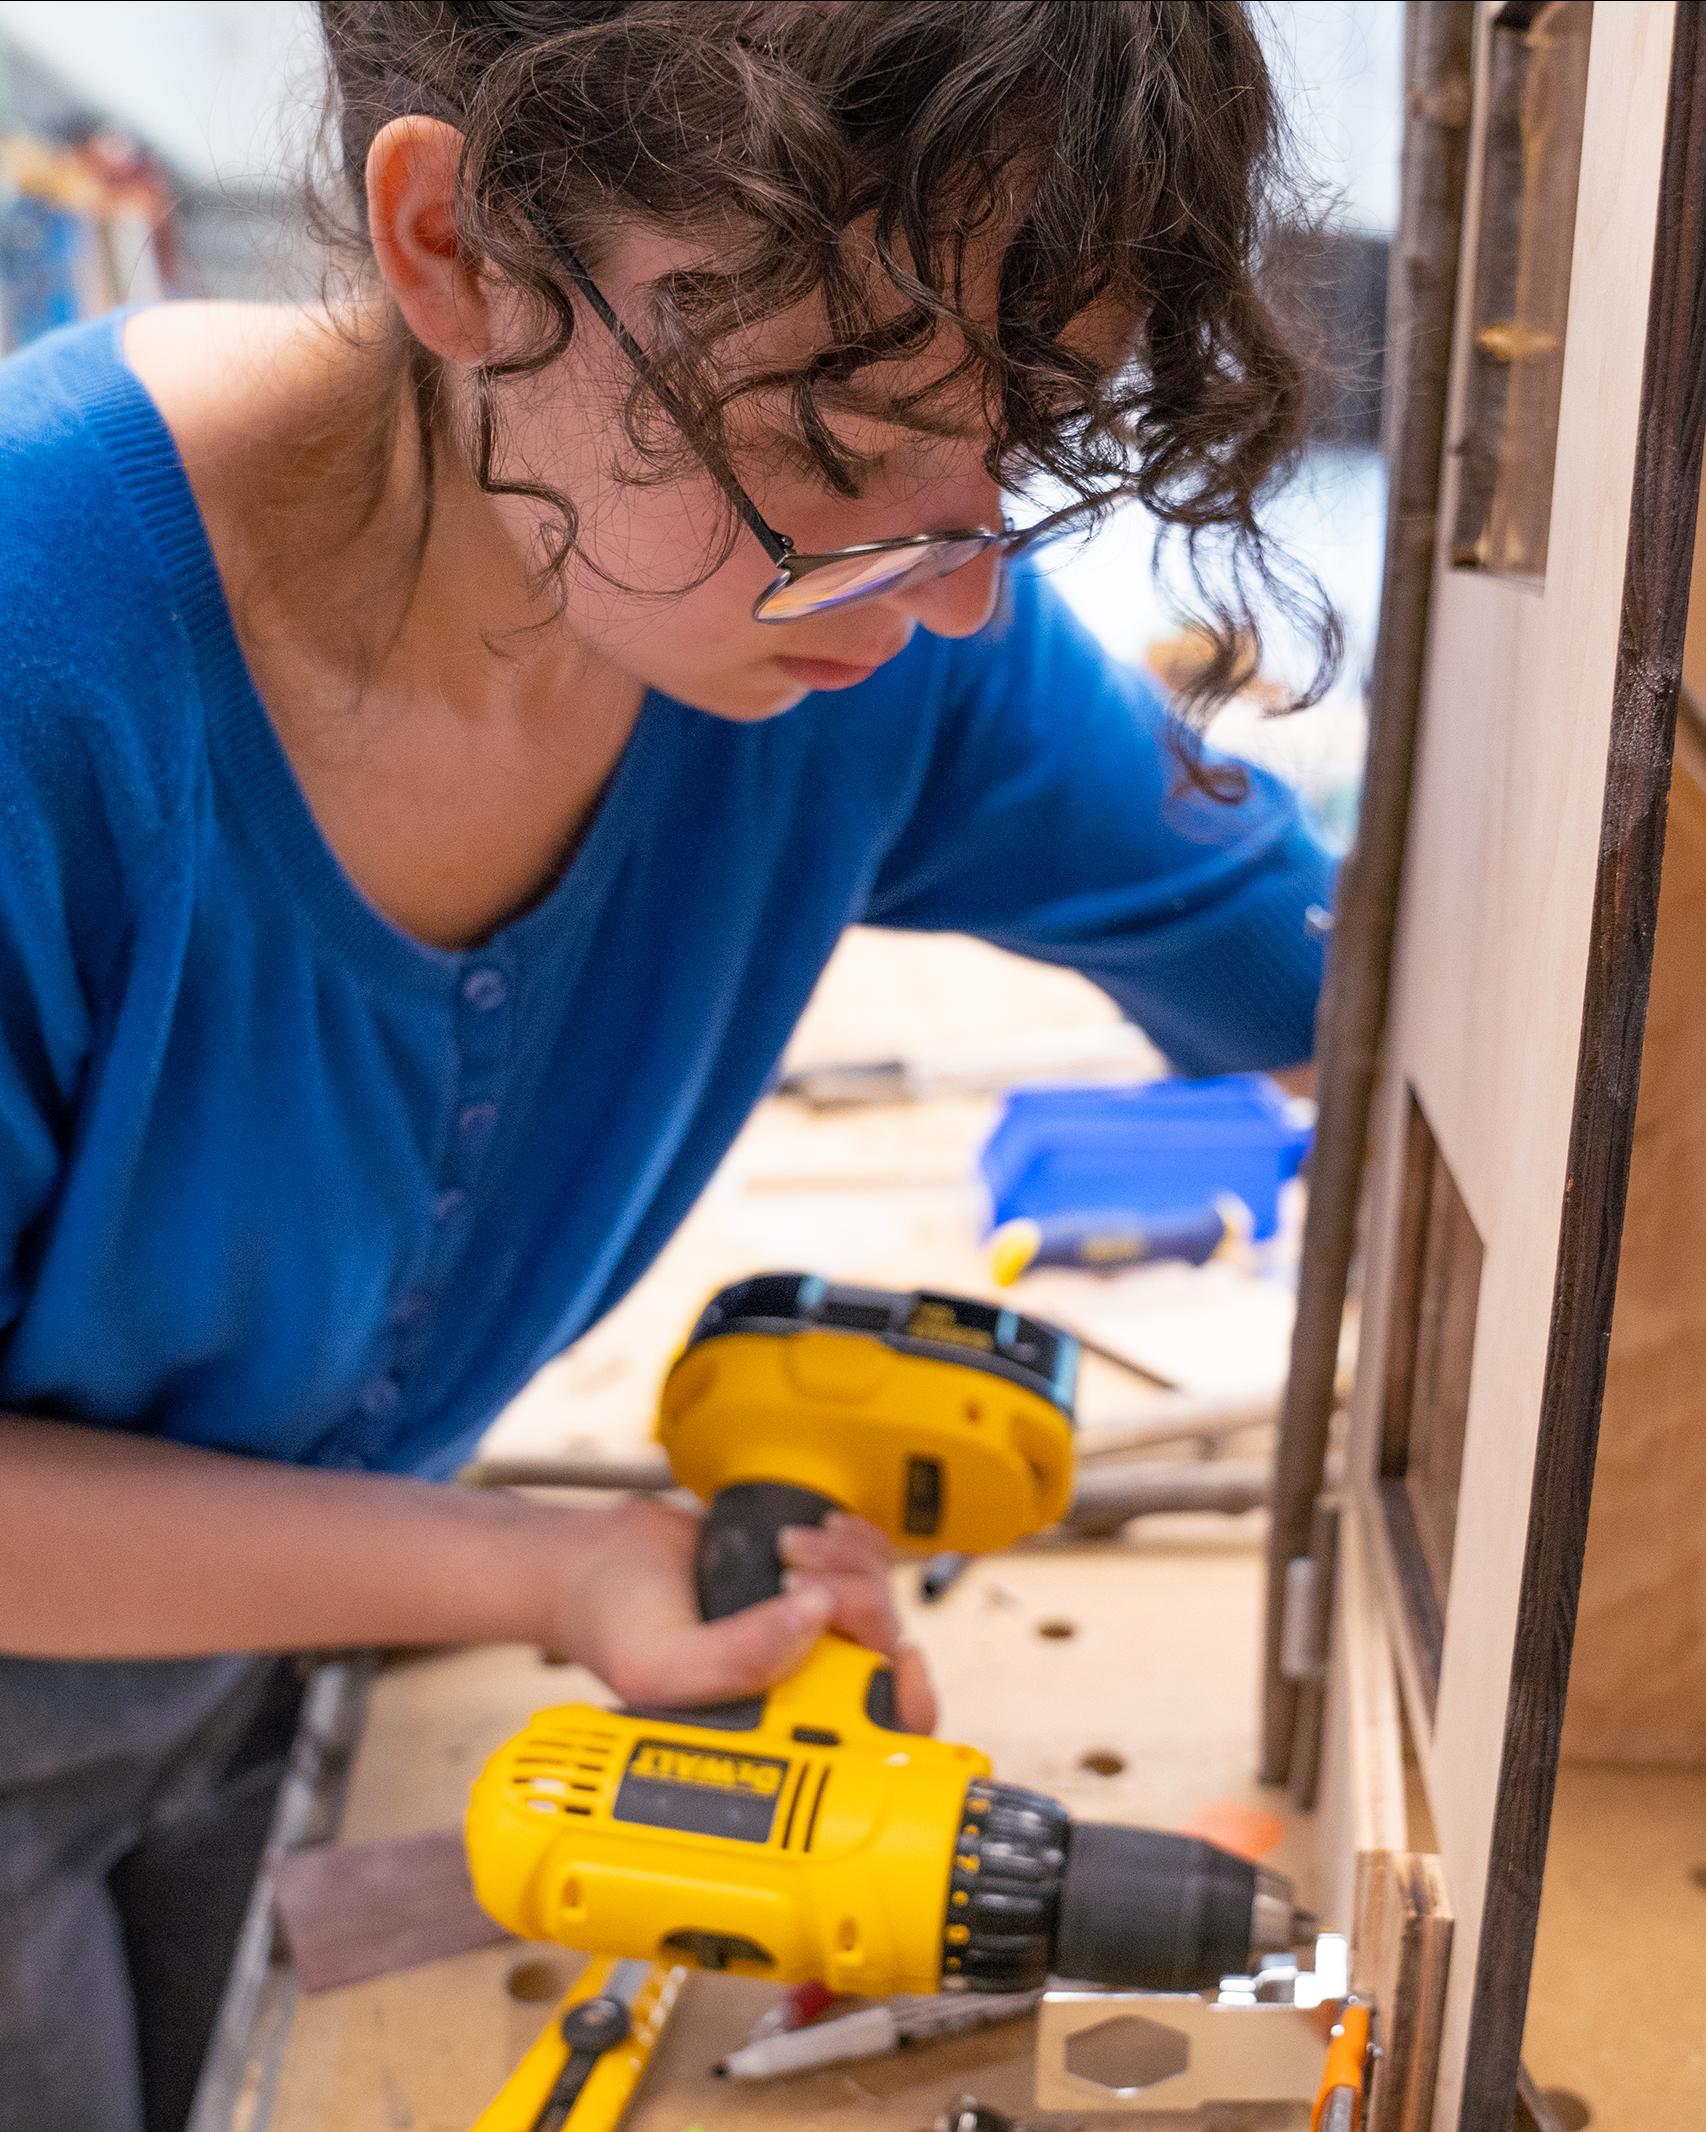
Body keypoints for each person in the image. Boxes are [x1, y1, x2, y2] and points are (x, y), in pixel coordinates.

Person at [0, 5, 1342, 2127]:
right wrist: (546, 1570)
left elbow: (1324, 966)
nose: (967, 595)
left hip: (252, 1656)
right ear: (456, 246)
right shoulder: (38, 651)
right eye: (834, 445)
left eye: (1023, 433)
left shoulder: (859, 641)